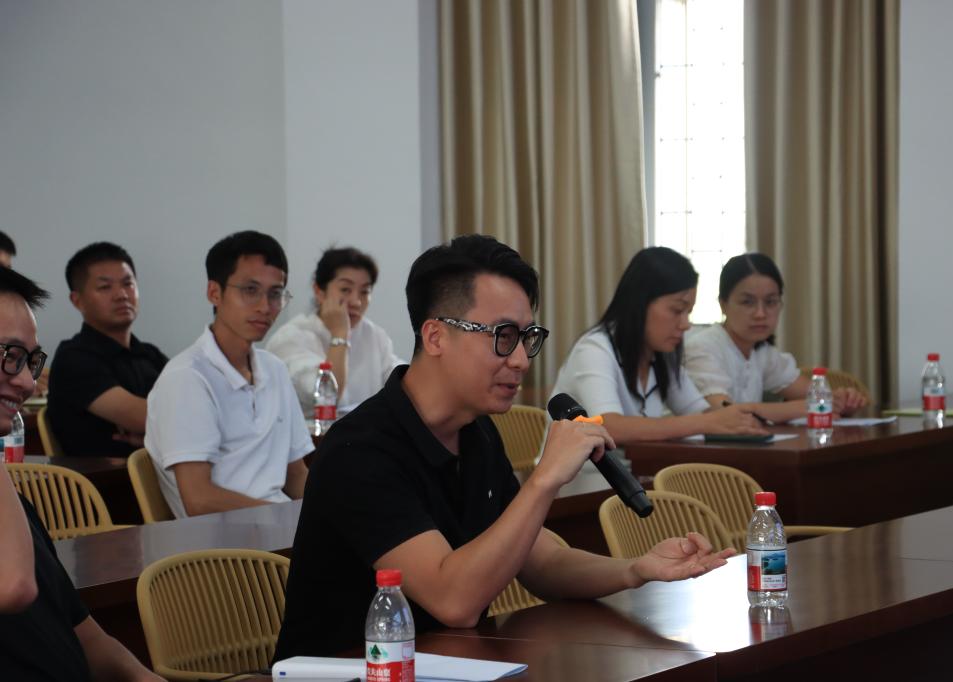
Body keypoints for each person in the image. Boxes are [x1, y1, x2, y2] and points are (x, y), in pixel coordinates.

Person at [273, 235, 734, 659]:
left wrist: (635, 570)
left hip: (445, 665)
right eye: (502, 337)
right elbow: (454, 601)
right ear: (435, 336)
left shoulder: (476, 432)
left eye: (526, 338)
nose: (519, 360)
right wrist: (544, 479)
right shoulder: (359, 451)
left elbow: (543, 560)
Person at [0, 266, 165, 681]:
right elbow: (14, 587)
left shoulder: (16, 506)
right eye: (11, 357)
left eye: (31, 361)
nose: (27, 382)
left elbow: (86, 636)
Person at [145, 231, 313, 518]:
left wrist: (331, 515)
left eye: (275, 294)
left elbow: (296, 474)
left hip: (281, 529)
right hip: (224, 539)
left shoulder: (274, 369)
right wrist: (287, 520)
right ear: (214, 292)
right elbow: (199, 501)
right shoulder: (187, 378)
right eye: (250, 290)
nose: (265, 307)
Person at [549, 247, 767, 442]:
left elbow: (698, 412)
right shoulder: (595, 349)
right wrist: (707, 422)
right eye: (677, 310)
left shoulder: (661, 354)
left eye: (688, 312)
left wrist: (733, 421)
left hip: (642, 471)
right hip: (582, 475)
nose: (685, 324)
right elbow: (608, 425)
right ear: (640, 303)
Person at [684, 253, 868, 422]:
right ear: (723, 305)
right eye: (747, 302)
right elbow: (725, 413)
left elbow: (817, 396)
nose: (760, 313)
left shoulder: (762, 352)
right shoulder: (701, 348)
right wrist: (810, 407)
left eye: (770, 302)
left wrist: (842, 401)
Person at [47, 243, 168, 456]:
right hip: (104, 476)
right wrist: (158, 430)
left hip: (161, 467)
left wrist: (151, 438)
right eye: (105, 287)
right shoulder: (74, 358)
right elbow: (142, 417)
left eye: (128, 284)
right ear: (77, 300)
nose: (121, 295)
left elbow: (197, 403)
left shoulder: (150, 354)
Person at [265, 246, 403, 417]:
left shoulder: (374, 335)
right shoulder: (291, 338)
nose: (356, 302)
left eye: (364, 291)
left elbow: (402, 382)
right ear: (319, 291)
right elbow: (328, 396)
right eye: (345, 289)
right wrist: (339, 334)